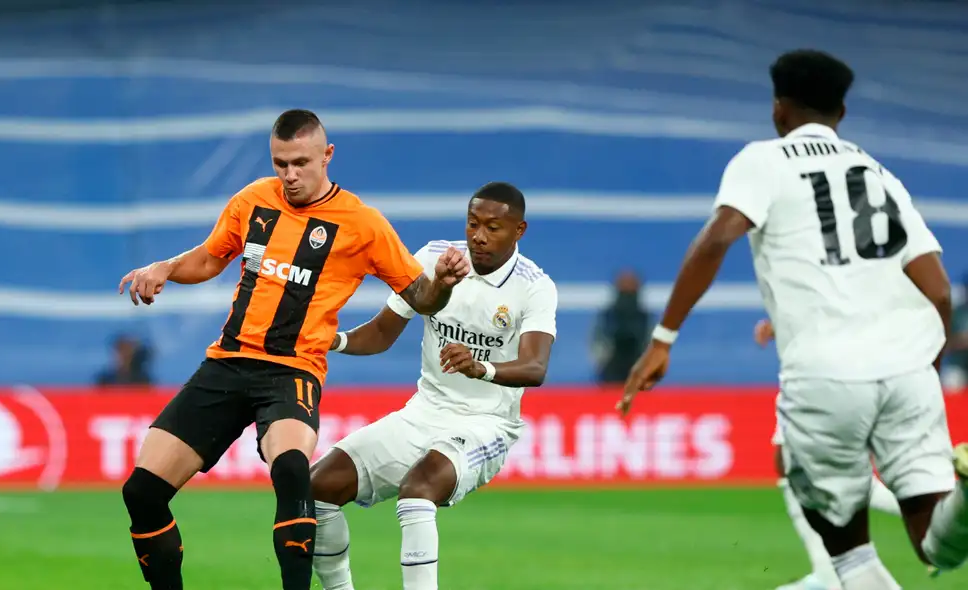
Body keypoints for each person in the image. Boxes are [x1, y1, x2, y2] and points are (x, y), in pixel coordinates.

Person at [617, 49, 968, 590]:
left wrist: (664, 338)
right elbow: (939, 292)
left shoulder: (764, 160)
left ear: (779, 110)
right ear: (842, 114)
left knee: (847, 556)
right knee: (935, 546)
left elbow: (717, 238)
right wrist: (924, 368)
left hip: (826, 374)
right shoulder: (879, 174)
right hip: (910, 373)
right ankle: (965, 496)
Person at [115, 109, 469, 590]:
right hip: (226, 363)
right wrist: (165, 267)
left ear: (327, 155)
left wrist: (442, 284)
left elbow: (421, 297)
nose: (290, 175)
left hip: (291, 371)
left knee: (291, 469)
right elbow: (208, 257)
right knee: (141, 492)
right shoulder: (254, 200)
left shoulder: (363, 224)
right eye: (280, 163)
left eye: (300, 162)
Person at [308, 182, 558, 590]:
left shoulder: (534, 287)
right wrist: (332, 340)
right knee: (317, 486)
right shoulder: (435, 258)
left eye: (493, 227)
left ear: (519, 231)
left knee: (419, 488)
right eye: (473, 223)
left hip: (486, 424)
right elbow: (382, 333)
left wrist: (483, 368)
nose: (478, 235)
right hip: (423, 413)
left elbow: (535, 367)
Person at [754, 318, 901, 590]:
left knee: (836, 576)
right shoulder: (800, 385)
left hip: (823, 466)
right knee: (836, 578)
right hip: (807, 482)